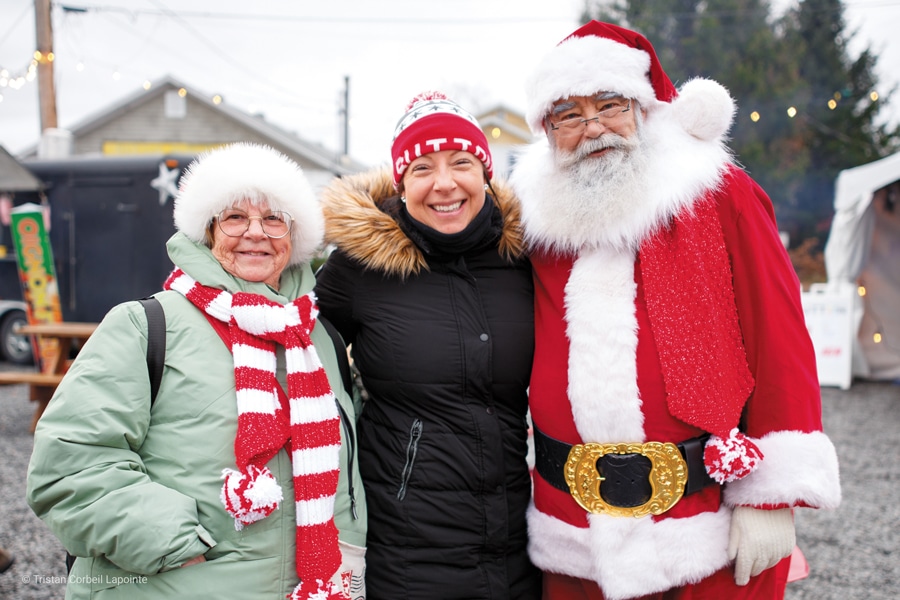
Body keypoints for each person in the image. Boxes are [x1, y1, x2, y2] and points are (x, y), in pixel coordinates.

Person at [509, 21, 842, 600]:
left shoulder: (718, 194)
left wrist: (770, 496)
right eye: (568, 114)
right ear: (547, 129)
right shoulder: (534, 223)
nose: (592, 128)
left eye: (609, 105)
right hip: (574, 533)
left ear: (644, 107)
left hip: (703, 522)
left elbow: (778, 335)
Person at [26, 143, 366, 600]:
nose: (255, 233)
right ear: (206, 231)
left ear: (294, 234)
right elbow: (68, 465)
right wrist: (174, 541)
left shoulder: (317, 336)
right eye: (233, 218)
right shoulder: (143, 326)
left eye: (273, 219)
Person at [314, 91, 541, 599]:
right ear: (402, 183)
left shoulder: (524, 257)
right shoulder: (359, 267)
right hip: (408, 544)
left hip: (521, 537)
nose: (444, 183)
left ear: (484, 172)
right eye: (422, 168)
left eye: (461, 162)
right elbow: (303, 360)